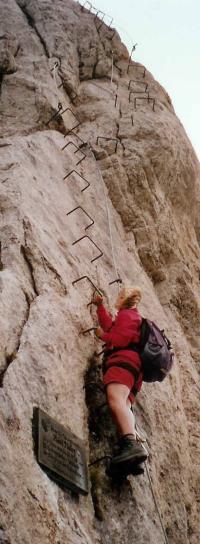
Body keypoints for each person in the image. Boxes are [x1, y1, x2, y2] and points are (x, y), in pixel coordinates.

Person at [92, 286, 147, 468]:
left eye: (121, 295)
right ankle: (131, 454)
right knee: (123, 406)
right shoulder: (130, 317)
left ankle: (131, 446)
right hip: (134, 371)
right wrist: (100, 307)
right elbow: (110, 326)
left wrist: (103, 337)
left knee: (115, 399)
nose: (118, 297)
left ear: (126, 299)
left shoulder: (127, 315)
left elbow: (119, 338)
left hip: (123, 362)